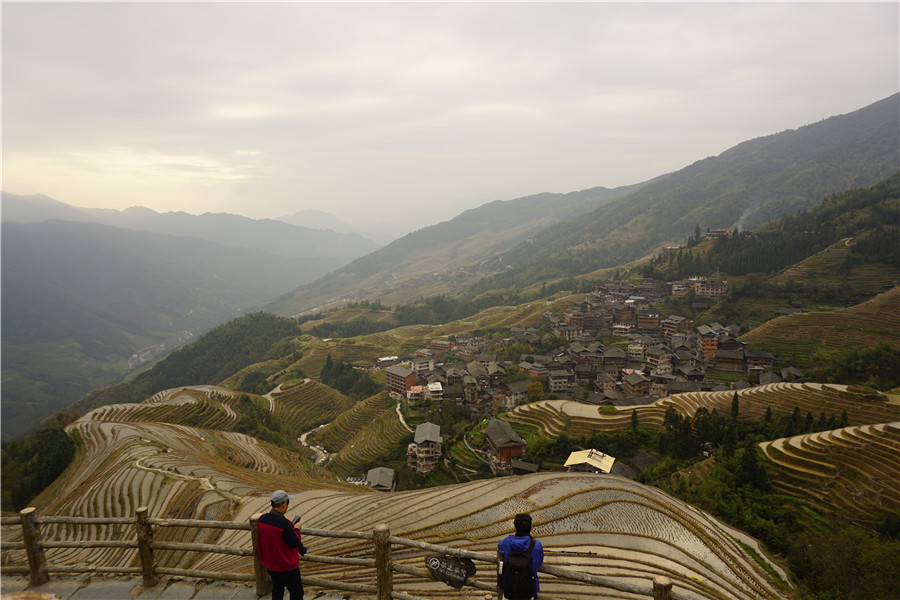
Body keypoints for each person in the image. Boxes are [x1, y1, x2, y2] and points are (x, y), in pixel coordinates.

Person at [257, 490, 307, 600]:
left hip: (272, 565)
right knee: (297, 594)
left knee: (277, 591)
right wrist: (296, 529)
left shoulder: (262, 520)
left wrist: (290, 527)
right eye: (287, 503)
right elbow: (294, 541)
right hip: (287, 567)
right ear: (284, 504)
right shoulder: (284, 524)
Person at [497, 513, 544, 600]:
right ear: (531, 527)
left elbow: (499, 546)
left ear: (515, 528)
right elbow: (540, 562)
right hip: (528, 592)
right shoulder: (537, 545)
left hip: (509, 590)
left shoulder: (507, 541)